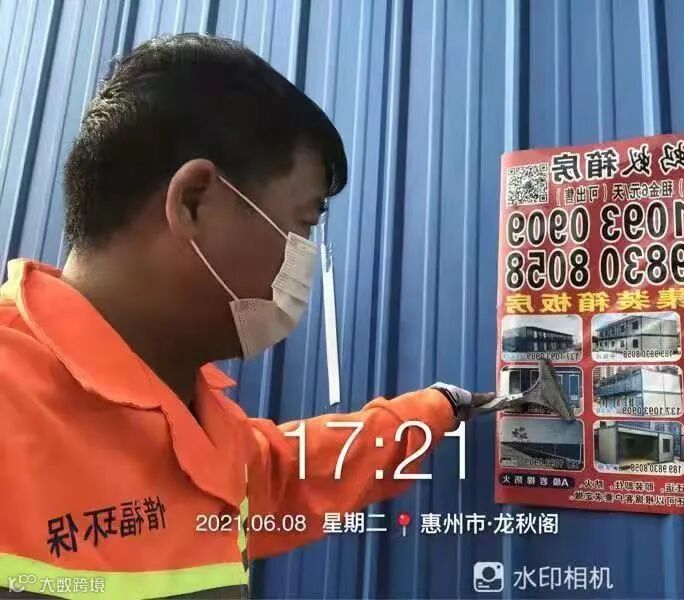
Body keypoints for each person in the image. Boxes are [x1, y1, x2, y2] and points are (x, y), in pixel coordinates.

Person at [0, 34, 495, 598]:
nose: (305, 257)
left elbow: (295, 470)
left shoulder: (199, 426)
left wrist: (436, 407)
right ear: (194, 201)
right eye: (304, 224)